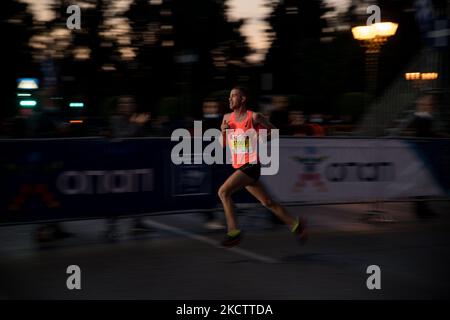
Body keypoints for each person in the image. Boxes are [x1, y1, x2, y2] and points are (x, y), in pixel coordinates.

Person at [218, 87, 308, 247]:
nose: (230, 99)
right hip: (241, 166)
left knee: (223, 192)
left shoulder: (254, 117)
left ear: (243, 99)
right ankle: (296, 224)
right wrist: (223, 132)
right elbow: (223, 144)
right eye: (229, 96)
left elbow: (274, 132)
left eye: (233, 96)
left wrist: (256, 138)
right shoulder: (226, 118)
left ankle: (234, 232)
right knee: (267, 202)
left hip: (251, 165)